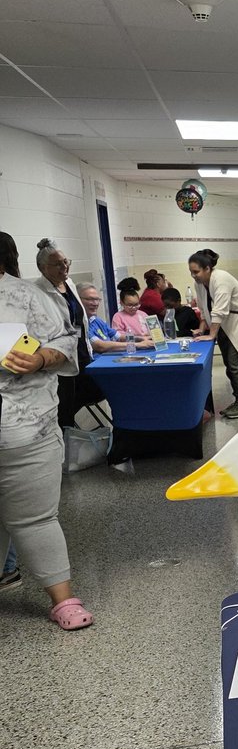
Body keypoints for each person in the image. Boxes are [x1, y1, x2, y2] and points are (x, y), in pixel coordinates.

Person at [0, 230, 93, 630]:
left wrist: (39, 358)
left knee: (35, 519)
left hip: (25, 429)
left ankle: (63, 599)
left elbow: (66, 343)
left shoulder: (28, 298)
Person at [188, 249, 238, 419]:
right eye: (191, 272)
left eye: (196, 271)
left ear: (207, 268)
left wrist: (211, 335)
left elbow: (219, 310)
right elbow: (204, 308)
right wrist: (202, 327)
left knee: (237, 365)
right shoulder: (199, 284)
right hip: (226, 324)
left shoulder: (220, 279)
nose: (193, 275)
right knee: (230, 365)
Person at [33, 239, 94, 427]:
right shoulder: (37, 291)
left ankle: (75, 444)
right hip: (60, 360)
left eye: (66, 261)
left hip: (81, 352)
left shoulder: (69, 283)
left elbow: (79, 319)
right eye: (58, 264)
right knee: (64, 411)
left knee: (84, 396)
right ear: (43, 268)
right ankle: (66, 450)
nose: (64, 267)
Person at [77, 283, 152, 354]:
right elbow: (100, 346)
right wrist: (139, 345)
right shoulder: (78, 325)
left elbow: (119, 337)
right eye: (90, 299)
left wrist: (141, 339)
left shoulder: (97, 321)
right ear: (78, 300)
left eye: (97, 299)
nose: (95, 303)